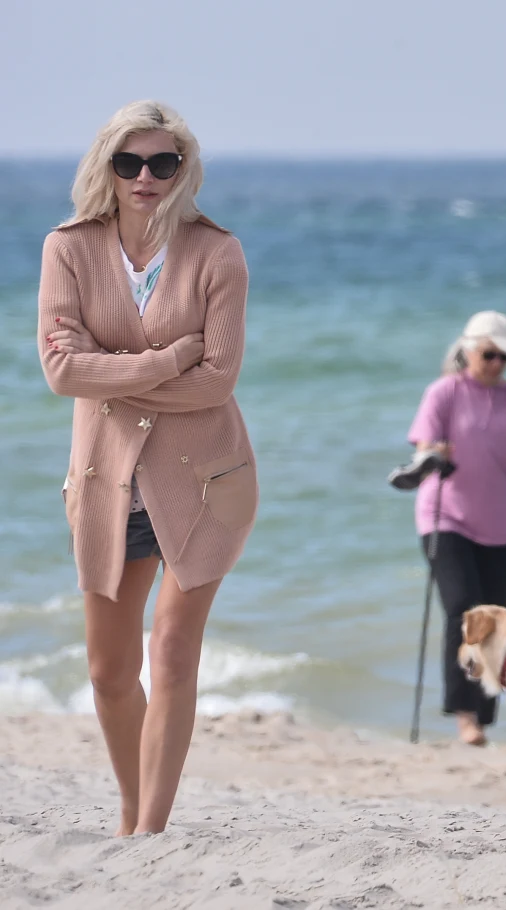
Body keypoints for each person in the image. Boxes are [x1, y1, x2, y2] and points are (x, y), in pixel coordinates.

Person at [37, 100, 257, 836]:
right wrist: (166, 359)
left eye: (163, 162)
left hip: (205, 481)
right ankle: (132, 806)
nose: (145, 177)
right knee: (107, 671)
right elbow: (61, 371)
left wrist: (112, 369)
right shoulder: (66, 249)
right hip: (106, 483)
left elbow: (218, 381)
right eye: (129, 162)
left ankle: (150, 831)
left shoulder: (217, 252)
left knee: (171, 654)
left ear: (183, 169)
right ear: (106, 166)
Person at [406, 310, 506, 746]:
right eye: (490, 354)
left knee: (496, 617)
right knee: (462, 609)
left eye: (505, 357)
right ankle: (464, 716)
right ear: (468, 350)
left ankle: (486, 710)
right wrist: (433, 453)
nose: (498, 363)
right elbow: (423, 446)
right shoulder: (443, 392)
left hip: (503, 522)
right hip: (446, 518)